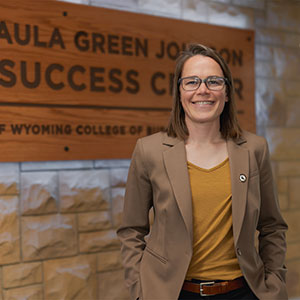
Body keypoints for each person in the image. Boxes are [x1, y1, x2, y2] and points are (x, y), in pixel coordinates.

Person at [117, 44, 288, 300]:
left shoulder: (254, 149)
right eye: (192, 82)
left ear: (227, 92)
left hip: (243, 292)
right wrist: (140, 291)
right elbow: (131, 230)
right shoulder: (149, 151)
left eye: (214, 81)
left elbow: (272, 226)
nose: (203, 90)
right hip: (173, 293)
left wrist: (274, 285)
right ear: (179, 92)